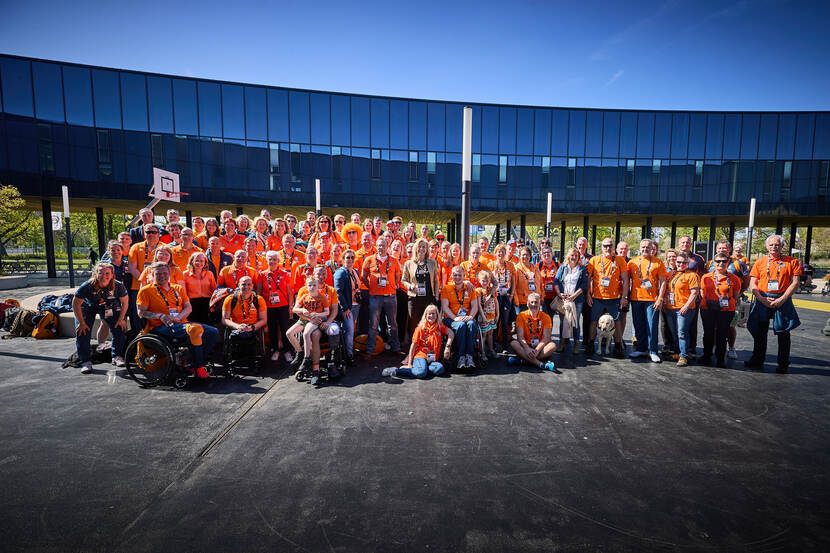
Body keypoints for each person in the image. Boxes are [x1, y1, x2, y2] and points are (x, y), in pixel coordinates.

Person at [136, 262, 219, 379]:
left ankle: (190, 360)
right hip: (160, 327)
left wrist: (178, 317)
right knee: (195, 329)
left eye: (165, 273)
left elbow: (188, 307)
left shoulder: (178, 288)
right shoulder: (145, 291)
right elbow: (141, 312)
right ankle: (198, 367)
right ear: (152, 275)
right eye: (158, 274)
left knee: (213, 332)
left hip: (180, 323)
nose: (162, 276)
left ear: (169, 274)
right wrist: (160, 316)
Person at [745, 234, 802, 373]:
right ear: (766, 246)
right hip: (763, 299)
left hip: (783, 300)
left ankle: (783, 363)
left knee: (783, 332)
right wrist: (760, 298)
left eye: (777, 244)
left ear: (782, 246)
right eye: (771, 245)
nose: (774, 247)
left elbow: (795, 282)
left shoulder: (792, 262)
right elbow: (753, 282)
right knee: (760, 331)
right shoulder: (760, 262)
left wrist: (783, 299)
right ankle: (757, 359)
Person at [73, 262, 129, 373]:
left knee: (119, 328)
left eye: (107, 273)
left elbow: (125, 303)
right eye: (100, 273)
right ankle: (85, 361)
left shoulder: (118, 286)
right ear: (95, 274)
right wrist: (81, 322)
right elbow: (76, 304)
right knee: (83, 332)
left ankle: (117, 356)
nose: (104, 276)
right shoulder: (87, 286)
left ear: (112, 275)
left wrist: (121, 319)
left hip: (108, 306)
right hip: (88, 307)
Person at [704, 240, 750, 359]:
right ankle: (714, 346)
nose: (721, 251)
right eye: (719, 248)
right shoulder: (710, 263)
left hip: (731, 300)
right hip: (713, 300)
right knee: (714, 326)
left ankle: (731, 348)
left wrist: (738, 294)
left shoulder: (738, 264)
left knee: (730, 326)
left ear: (729, 250)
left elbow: (746, 281)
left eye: (724, 249)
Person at [586, 238, 630, 358]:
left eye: (610, 245)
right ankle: (590, 344)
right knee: (594, 321)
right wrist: (588, 294)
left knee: (617, 322)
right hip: (597, 297)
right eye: (605, 246)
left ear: (613, 247)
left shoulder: (620, 260)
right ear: (601, 247)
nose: (607, 248)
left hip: (614, 298)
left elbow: (626, 280)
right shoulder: (594, 260)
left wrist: (624, 297)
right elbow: (588, 279)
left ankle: (618, 346)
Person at [383, 305, 453, 379]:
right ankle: (396, 371)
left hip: (432, 359)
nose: (431, 316)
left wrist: (447, 347)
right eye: (429, 314)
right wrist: (409, 363)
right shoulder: (420, 328)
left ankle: (421, 369)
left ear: (437, 315)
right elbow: (413, 347)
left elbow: (451, 333)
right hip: (421, 356)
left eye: (433, 313)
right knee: (420, 373)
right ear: (425, 316)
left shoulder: (439, 326)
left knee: (440, 369)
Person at [401, 238, 440, 362]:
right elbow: (403, 280)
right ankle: (413, 351)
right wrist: (410, 286)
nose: (422, 249)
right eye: (420, 246)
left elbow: (435, 281)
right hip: (414, 299)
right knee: (414, 324)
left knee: (430, 324)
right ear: (416, 248)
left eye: (424, 247)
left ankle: (429, 349)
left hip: (429, 298)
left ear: (427, 249)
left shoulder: (432, 263)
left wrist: (436, 297)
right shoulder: (409, 263)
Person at [628, 239, 667, 363]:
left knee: (651, 326)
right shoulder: (632, 262)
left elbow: (663, 281)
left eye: (648, 247)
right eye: (643, 247)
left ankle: (653, 351)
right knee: (638, 324)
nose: (645, 249)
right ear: (639, 247)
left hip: (652, 300)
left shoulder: (658, 262)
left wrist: (660, 298)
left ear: (652, 248)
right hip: (636, 298)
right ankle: (641, 349)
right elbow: (625, 279)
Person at [700, 253, 742, 367]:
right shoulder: (706, 277)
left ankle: (720, 359)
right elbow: (702, 293)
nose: (721, 263)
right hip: (708, 309)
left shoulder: (734, 278)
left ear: (728, 262)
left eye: (724, 261)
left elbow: (735, 295)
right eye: (718, 261)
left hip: (726, 310)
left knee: (722, 335)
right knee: (708, 334)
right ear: (713, 262)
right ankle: (706, 356)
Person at [362, 237, 403, 354]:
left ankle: (396, 348)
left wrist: (393, 285)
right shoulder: (369, 259)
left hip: (390, 296)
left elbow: (397, 276)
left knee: (393, 324)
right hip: (375, 296)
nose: (381, 248)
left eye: (383, 245)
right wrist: (371, 287)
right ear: (376, 246)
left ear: (387, 246)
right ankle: (370, 350)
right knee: (374, 325)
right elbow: (363, 277)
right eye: (379, 245)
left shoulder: (394, 260)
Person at [289, 277, 330, 385]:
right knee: (289, 333)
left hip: (314, 321)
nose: (312, 287)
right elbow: (294, 309)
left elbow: (327, 312)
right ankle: (300, 352)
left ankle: (307, 359)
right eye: (310, 285)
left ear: (318, 286)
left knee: (307, 333)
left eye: (314, 285)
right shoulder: (304, 296)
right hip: (303, 320)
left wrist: (317, 314)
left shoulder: (322, 298)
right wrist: (302, 309)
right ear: (306, 287)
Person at [664, 252, 701, 367]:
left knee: (682, 332)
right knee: (674, 332)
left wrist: (686, 306)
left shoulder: (692, 275)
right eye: (678, 262)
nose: (681, 264)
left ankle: (684, 355)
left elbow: (694, 293)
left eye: (684, 262)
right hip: (670, 308)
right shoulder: (670, 273)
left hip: (684, 309)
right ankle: (677, 352)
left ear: (688, 263)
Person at [440, 265, 480, 369]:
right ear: (451, 275)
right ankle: (460, 357)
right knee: (461, 325)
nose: (457, 277)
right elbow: (444, 307)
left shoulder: (470, 288)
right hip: (450, 318)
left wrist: (471, 316)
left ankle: (470, 356)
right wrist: (455, 318)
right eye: (455, 275)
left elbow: (475, 306)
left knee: (471, 324)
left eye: (459, 275)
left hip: (467, 318)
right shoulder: (446, 288)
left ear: (464, 276)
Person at [258, 250, 294, 362]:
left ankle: (287, 350)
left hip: (283, 305)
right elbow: (259, 293)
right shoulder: (261, 274)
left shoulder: (284, 274)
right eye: (270, 259)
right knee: (272, 329)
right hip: (268, 307)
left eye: (274, 259)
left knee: (285, 329)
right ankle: (275, 350)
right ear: (267, 260)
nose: (272, 261)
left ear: (278, 261)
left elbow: (289, 292)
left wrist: (290, 307)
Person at [127, 223, 162, 332]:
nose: (151, 234)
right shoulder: (136, 247)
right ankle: (139, 341)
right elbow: (132, 268)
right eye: (148, 232)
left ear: (159, 234)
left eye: (154, 232)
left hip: (159, 288)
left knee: (157, 314)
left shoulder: (165, 247)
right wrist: (145, 281)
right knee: (138, 316)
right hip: (139, 287)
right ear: (144, 234)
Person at [509, 293, 557, 371]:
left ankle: (524, 360)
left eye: (536, 302)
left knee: (552, 346)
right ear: (527, 304)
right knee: (513, 343)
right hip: (526, 346)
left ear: (540, 303)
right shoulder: (521, 316)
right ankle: (541, 364)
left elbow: (546, 338)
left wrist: (537, 350)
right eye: (531, 302)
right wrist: (527, 349)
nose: (533, 304)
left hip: (540, 346)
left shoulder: (546, 317)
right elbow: (520, 337)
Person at [677, 235, 705, 358]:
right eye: (683, 242)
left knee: (691, 324)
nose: (685, 244)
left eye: (687, 242)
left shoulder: (698, 259)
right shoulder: (675, 256)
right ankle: (675, 348)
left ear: (691, 244)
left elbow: (703, 276)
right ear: (679, 244)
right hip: (676, 296)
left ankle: (691, 349)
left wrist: (700, 292)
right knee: (674, 325)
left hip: (693, 297)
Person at [221, 276, 267, 346]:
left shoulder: (259, 299)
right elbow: (224, 319)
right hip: (236, 328)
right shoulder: (230, 299)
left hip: (253, 328)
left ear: (252, 286)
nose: (246, 287)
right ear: (239, 285)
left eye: (249, 284)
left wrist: (251, 328)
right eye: (243, 284)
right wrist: (238, 326)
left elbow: (263, 320)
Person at [334, 249, 361, 365]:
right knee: (349, 330)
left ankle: (349, 351)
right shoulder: (340, 273)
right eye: (348, 257)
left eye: (352, 257)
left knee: (351, 329)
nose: (350, 259)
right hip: (347, 308)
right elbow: (338, 292)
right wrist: (345, 308)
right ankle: (348, 355)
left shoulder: (355, 271)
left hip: (356, 305)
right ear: (343, 258)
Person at [491, 244, 516, 353]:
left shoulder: (510, 265)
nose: (500, 254)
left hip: (506, 296)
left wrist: (512, 295)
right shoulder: (491, 265)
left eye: (502, 252)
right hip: (495, 296)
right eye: (498, 251)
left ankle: (505, 346)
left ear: (505, 253)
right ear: (495, 253)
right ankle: (494, 345)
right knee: (495, 320)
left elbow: (514, 281)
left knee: (505, 322)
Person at [183, 252, 216, 324]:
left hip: (207, 303)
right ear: (192, 261)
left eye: (201, 261)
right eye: (196, 260)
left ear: (205, 263)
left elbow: (214, 290)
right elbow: (183, 292)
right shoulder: (185, 274)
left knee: (207, 326)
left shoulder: (209, 274)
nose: (199, 263)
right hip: (192, 303)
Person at [513, 246, 543, 313]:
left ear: (530, 256)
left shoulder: (535, 268)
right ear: (519, 256)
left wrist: (542, 297)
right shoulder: (516, 269)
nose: (525, 257)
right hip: (522, 302)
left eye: (527, 255)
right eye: (523, 255)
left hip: (535, 301)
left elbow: (540, 284)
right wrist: (516, 300)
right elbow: (513, 287)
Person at [476, 270, 499, 358]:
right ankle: (482, 353)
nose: (485, 282)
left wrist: (497, 315)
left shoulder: (491, 290)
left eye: (486, 281)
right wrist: (483, 316)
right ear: (479, 280)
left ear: (489, 281)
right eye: (483, 281)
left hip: (492, 316)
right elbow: (479, 306)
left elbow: (496, 303)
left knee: (490, 334)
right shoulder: (478, 290)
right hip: (484, 317)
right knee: (484, 335)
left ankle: (491, 350)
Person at [537, 246, 559, 318]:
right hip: (543, 297)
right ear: (541, 255)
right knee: (544, 317)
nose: (546, 255)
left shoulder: (557, 265)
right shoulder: (538, 266)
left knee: (551, 317)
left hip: (555, 296)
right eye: (544, 253)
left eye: (548, 253)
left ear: (552, 254)